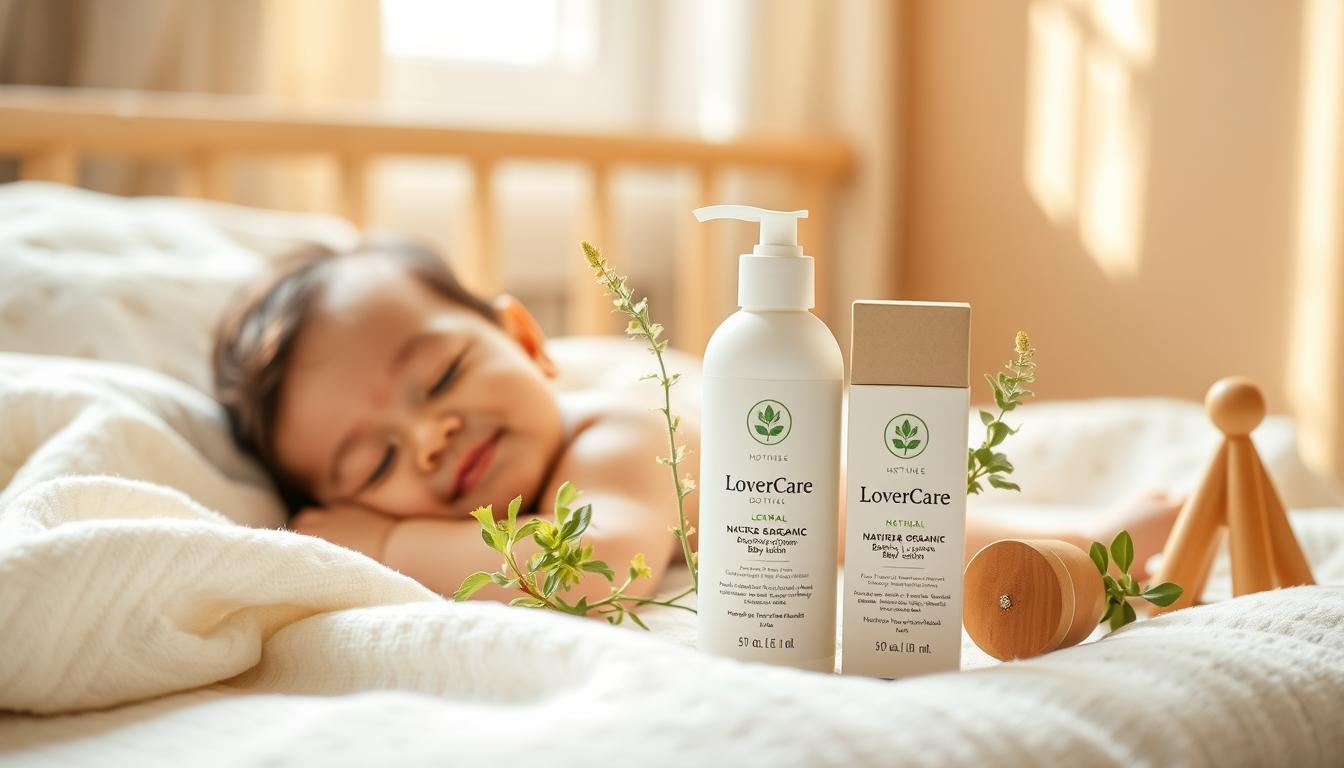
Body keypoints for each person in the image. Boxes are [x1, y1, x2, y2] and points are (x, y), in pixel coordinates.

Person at [214, 238, 1180, 607]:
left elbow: (601, 563)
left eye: (442, 374)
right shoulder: (501, 480)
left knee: (931, 535)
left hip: (831, 510)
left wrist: (381, 535)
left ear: (524, 337)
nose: (430, 437)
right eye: (373, 459)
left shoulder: (613, 437)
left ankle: (1104, 543)